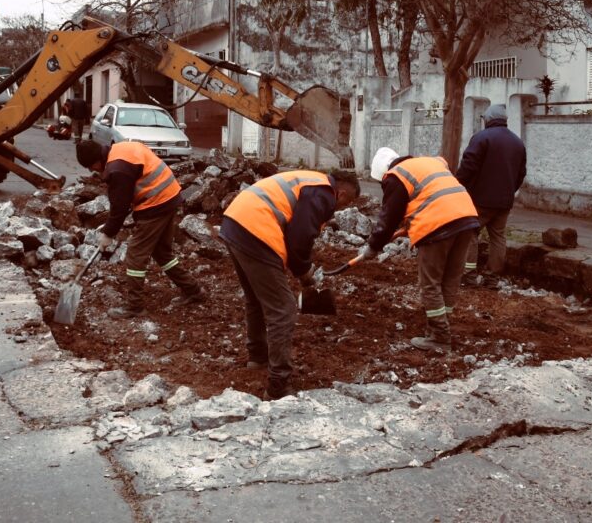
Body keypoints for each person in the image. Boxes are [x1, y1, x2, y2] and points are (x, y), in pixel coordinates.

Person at [220, 168, 361, 399]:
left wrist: (299, 268)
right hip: (255, 229)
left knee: (256, 298)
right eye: (346, 203)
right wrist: (305, 275)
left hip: (235, 222)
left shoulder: (309, 181)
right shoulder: (324, 193)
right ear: (343, 194)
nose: (341, 209)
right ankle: (278, 385)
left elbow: (294, 234)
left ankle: (257, 357)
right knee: (283, 309)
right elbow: (299, 239)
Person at [360, 147, 479, 354]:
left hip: (438, 226)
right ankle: (442, 324)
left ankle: (440, 337)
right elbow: (430, 196)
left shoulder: (396, 176)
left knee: (430, 283)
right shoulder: (428, 163)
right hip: (467, 218)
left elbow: (388, 218)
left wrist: (373, 246)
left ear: (383, 173)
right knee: (450, 279)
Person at [75, 139, 205, 319]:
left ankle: (134, 306)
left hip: (156, 204)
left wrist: (108, 233)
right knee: (162, 253)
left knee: (135, 255)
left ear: (97, 159)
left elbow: (119, 208)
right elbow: (131, 189)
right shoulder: (121, 149)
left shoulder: (117, 169)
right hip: (169, 196)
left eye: (91, 166)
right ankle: (193, 290)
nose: (92, 170)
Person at [455, 104, 527, 276]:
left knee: (470, 232)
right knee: (498, 237)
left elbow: (468, 166)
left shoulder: (481, 138)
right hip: (504, 202)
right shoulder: (517, 143)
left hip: (480, 200)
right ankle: (493, 276)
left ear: (488, 119)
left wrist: (457, 185)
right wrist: (509, 191)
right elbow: (521, 174)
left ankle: (469, 273)